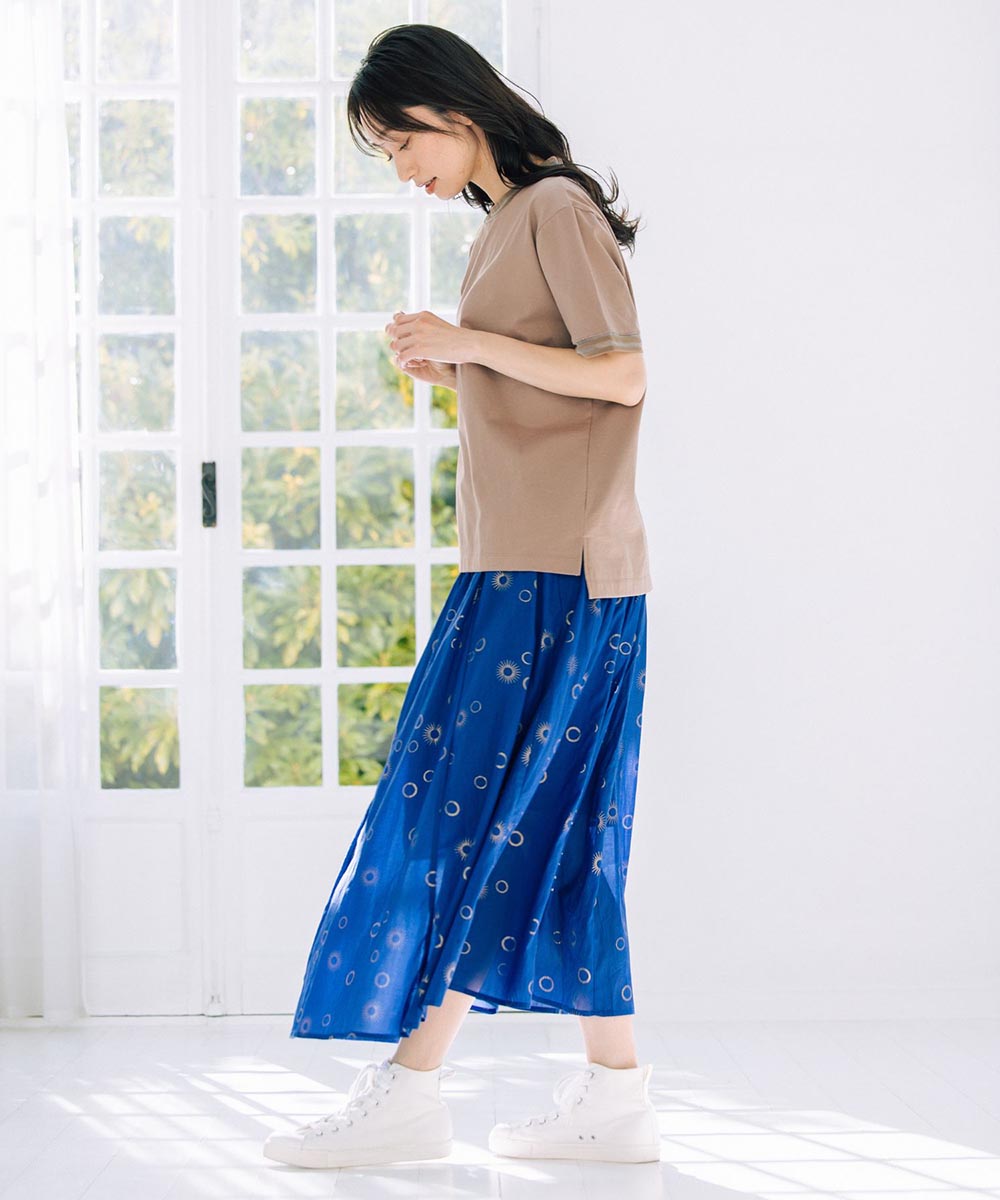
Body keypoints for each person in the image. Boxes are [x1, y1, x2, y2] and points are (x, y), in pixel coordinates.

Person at [263, 22, 659, 1170]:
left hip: (557, 577)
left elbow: (624, 372)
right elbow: (554, 398)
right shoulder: (506, 224)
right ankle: (614, 1095)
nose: (401, 169)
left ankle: (410, 1089)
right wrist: (459, 364)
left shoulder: (553, 208)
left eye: (401, 143)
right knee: (547, 831)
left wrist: (469, 343)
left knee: (462, 821)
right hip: (528, 568)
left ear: (455, 109)